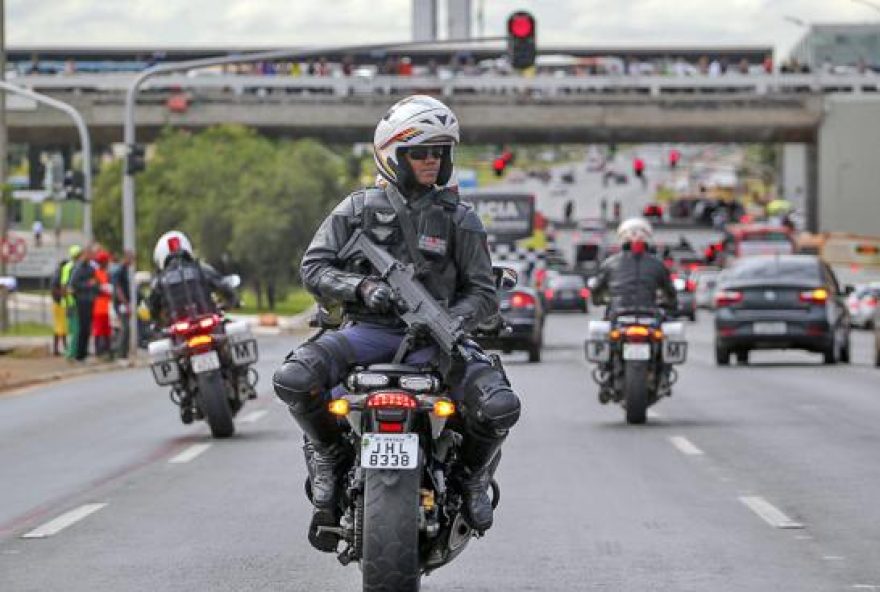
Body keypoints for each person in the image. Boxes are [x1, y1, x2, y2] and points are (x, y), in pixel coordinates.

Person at [272, 95, 521, 545]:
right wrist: (363, 289)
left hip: (441, 345)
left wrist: (452, 319)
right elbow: (314, 268)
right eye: (420, 152)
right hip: (367, 334)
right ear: (393, 155)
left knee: (500, 407)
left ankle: (470, 477)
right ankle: (329, 454)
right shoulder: (355, 210)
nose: (432, 161)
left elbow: (484, 293)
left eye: (440, 152)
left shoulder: (462, 221)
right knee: (293, 378)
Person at [145, 231, 238, 329]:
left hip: (179, 329)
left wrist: (157, 322)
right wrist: (233, 300)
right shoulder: (201, 269)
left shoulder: (160, 280)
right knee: (229, 331)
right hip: (207, 322)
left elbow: (153, 307)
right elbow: (223, 286)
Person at [591, 217, 677, 317]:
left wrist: (600, 300)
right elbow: (670, 292)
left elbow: (596, 290)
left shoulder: (609, 263)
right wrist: (670, 303)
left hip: (618, 315)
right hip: (649, 315)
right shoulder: (658, 264)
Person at [69, 246, 99, 361]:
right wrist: (88, 284)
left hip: (90, 300)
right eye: (88, 254)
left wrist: (95, 286)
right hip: (81, 301)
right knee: (83, 328)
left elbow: (95, 282)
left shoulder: (91, 268)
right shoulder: (79, 268)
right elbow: (74, 285)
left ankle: (84, 353)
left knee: (87, 329)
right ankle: (79, 355)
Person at [60, 245, 82, 360]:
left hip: (76, 303)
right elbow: (64, 286)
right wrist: (67, 302)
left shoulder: (76, 267)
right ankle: (70, 353)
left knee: (77, 330)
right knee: (75, 330)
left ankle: (74, 352)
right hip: (71, 303)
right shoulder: (69, 268)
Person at [111, 250, 134, 359]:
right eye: (131, 258)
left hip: (124, 303)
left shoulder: (125, 270)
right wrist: (125, 303)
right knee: (124, 329)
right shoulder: (120, 270)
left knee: (126, 329)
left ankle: (124, 354)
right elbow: (118, 289)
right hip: (121, 304)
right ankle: (121, 354)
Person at [91, 250, 114, 359]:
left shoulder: (107, 274)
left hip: (107, 305)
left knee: (107, 330)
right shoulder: (96, 273)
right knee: (98, 330)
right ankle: (98, 352)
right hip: (98, 306)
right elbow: (95, 288)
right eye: (106, 261)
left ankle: (108, 351)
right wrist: (104, 288)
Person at [49, 256, 69, 356]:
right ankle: (63, 348)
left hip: (60, 303)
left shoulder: (59, 274)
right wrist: (63, 294)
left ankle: (58, 349)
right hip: (58, 304)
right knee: (61, 327)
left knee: (60, 327)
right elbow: (53, 289)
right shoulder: (58, 275)